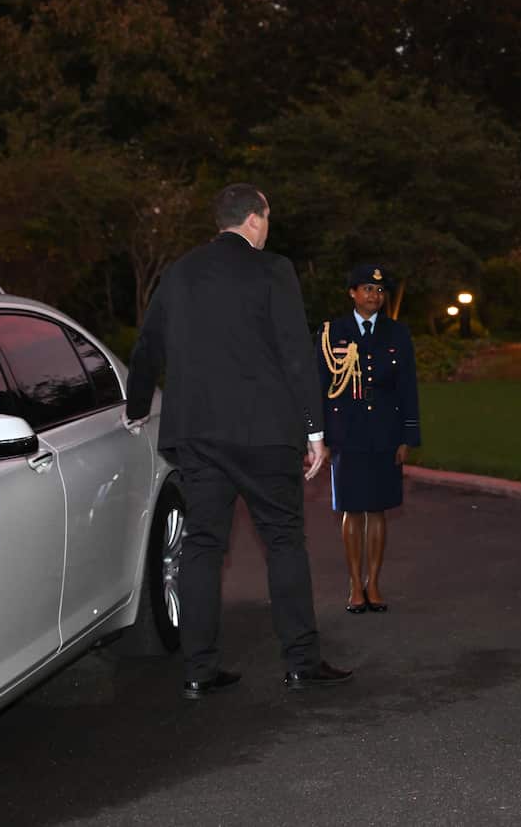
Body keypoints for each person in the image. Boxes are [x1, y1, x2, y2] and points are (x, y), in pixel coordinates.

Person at [125, 183, 353, 699]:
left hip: (198, 434)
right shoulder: (273, 269)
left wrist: (136, 408)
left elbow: (147, 347)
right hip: (265, 433)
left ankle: (198, 669)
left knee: (202, 546)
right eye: (267, 217)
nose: (267, 226)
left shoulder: (180, 271)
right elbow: (296, 351)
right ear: (254, 219)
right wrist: (314, 430)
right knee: (283, 541)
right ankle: (301, 661)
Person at [317, 264, 420, 614]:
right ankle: (353, 584)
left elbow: (408, 388)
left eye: (378, 291)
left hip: (385, 434)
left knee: (378, 510)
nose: (373, 296)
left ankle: (373, 583)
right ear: (352, 293)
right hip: (347, 433)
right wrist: (319, 436)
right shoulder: (332, 333)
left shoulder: (397, 333)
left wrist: (407, 435)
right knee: (351, 510)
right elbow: (320, 388)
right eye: (366, 289)